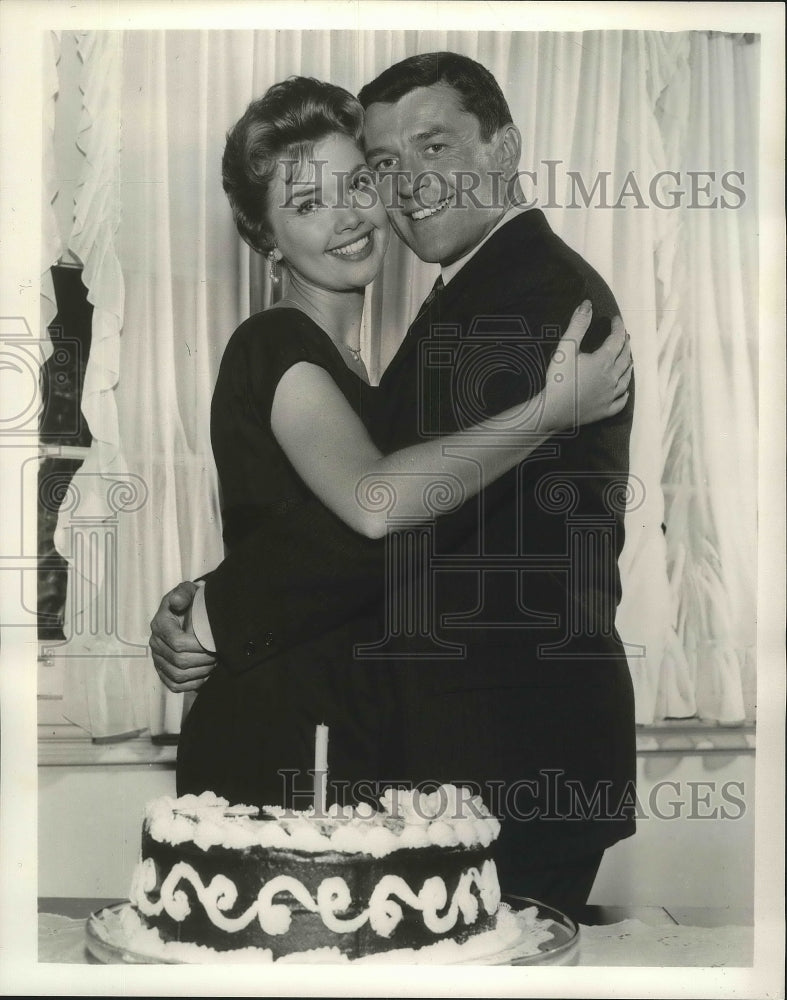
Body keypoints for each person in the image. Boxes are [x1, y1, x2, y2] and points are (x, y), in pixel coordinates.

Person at [151, 57, 635, 918]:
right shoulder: (300, 342)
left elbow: (376, 519)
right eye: (382, 165)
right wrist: (207, 605)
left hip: (505, 758)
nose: (388, 193)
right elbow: (373, 513)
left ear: (505, 149)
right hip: (375, 744)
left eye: (428, 149)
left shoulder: (521, 302)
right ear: (264, 240)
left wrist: (213, 608)